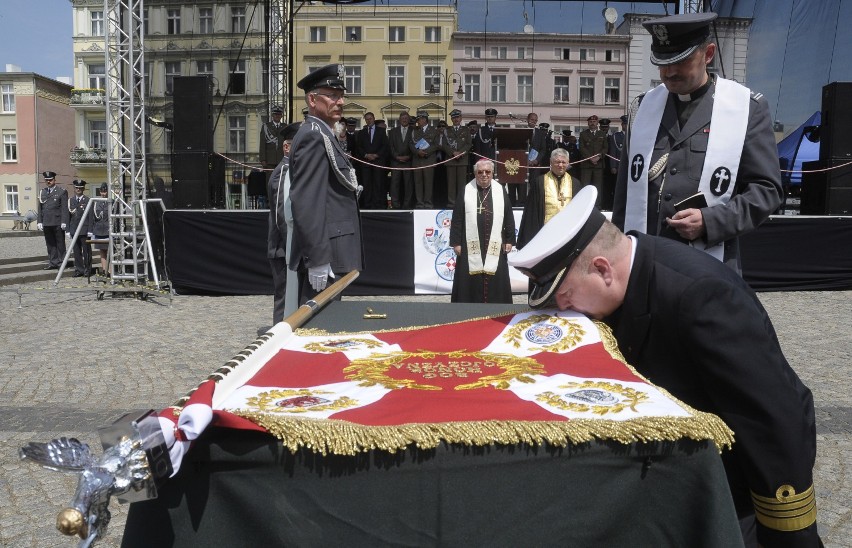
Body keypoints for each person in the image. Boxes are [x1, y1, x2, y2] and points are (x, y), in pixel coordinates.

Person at [509, 185, 821, 548]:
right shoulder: (625, 284)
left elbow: (771, 419)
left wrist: (788, 535)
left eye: (566, 298)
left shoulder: (702, 297)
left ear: (601, 269)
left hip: (732, 491)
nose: (566, 312)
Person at [612, 12, 781, 273]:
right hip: (646, 262)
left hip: (709, 264)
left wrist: (710, 221)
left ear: (708, 54)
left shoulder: (745, 108)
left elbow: (766, 191)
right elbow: (625, 192)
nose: (669, 72)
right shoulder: (643, 108)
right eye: (663, 62)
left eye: (681, 61)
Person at [288, 64, 364, 305]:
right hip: (327, 253)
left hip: (333, 247)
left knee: (327, 328)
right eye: (332, 96)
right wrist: (318, 258)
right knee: (318, 332)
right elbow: (307, 201)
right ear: (312, 99)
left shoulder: (323, 133)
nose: (340, 102)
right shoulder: (313, 135)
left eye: (341, 96)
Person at [449, 158, 515, 303]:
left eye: (488, 172)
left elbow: (509, 216)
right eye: (480, 172)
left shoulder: (500, 190)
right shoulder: (466, 190)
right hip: (469, 243)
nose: (484, 175)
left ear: (492, 173)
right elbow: (457, 218)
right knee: (470, 278)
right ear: (475, 173)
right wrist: (456, 243)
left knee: (496, 277)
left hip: (496, 242)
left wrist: (509, 240)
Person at [267, 122, 301, 323]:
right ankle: (277, 340)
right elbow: (281, 213)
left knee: (291, 296)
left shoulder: (293, 169)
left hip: (288, 246)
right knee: (284, 298)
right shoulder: (283, 171)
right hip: (282, 247)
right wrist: (291, 245)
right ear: (286, 147)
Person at [517, 148, 580, 249]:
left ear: (568, 163)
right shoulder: (540, 182)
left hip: (568, 234)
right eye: (557, 162)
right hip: (544, 234)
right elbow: (532, 213)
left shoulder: (575, 184)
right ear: (550, 162)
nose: (560, 165)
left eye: (564, 162)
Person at [355, 112, 389, 209]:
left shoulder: (381, 131)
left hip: (378, 162)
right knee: (367, 184)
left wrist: (376, 155)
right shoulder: (361, 132)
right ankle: (367, 205)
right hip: (366, 162)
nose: (369, 120)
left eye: (370, 118)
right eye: (367, 119)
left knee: (378, 184)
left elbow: (385, 145)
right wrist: (366, 155)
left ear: (374, 118)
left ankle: (377, 204)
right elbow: (359, 147)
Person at [37, 171, 69, 270]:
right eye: (47, 180)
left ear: (54, 180)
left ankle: (61, 262)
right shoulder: (43, 192)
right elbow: (40, 208)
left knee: (60, 243)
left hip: (57, 221)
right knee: (50, 244)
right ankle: (53, 262)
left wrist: (64, 221)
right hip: (46, 222)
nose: (48, 182)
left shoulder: (61, 191)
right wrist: (39, 221)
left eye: (50, 180)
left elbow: (64, 208)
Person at [443, 109, 472, 208]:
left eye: (457, 117)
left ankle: (461, 203)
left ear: (461, 118)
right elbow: (444, 144)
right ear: (451, 119)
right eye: (454, 117)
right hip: (450, 160)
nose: (456, 119)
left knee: (461, 184)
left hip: (462, 160)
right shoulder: (446, 130)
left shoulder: (466, 130)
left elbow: (469, 144)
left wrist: (461, 153)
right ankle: (451, 203)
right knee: (451, 184)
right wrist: (453, 153)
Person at [409, 111, 439, 209]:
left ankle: (428, 203)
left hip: (428, 160)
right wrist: (418, 152)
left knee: (428, 183)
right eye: (417, 120)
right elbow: (411, 144)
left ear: (424, 119)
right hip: (417, 160)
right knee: (418, 183)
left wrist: (426, 152)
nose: (418, 122)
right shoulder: (415, 131)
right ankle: (419, 203)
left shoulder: (434, 130)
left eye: (419, 120)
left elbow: (436, 144)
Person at [578, 114, 607, 206]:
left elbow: (605, 148)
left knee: (597, 187)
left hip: (598, 165)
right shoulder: (583, 134)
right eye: (590, 122)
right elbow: (582, 148)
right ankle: (584, 205)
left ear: (597, 123)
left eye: (594, 122)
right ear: (588, 123)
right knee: (585, 186)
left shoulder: (602, 134)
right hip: (586, 165)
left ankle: (597, 206)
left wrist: (599, 157)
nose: (592, 123)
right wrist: (590, 158)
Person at [388, 111, 414, 209]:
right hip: (396, 162)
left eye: (406, 118)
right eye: (402, 118)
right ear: (399, 120)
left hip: (408, 161)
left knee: (408, 185)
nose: (404, 120)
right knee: (394, 184)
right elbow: (390, 146)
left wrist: (409, 156)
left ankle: (407, 205)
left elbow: (416, 146)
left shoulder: (413, 130)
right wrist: (397, 157)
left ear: (409, 120)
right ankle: (395, 205)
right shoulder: (393, 131)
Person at [67, 179, 93, 277]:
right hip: (74, 230)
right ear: (74, 188)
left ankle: (87, 269)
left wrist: (90, 230)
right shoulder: (71, 200)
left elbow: (90, 216)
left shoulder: (87, 200)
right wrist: (68, 230)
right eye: (76, 188)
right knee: (76, 252)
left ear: (83, 189)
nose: (78, 189)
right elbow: (68, 216)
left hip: (84, 230)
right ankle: (79, 269)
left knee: (86, 251)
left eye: (80, 188)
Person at [91, 183, 111, 276]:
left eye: (105, 191)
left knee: (109, 251)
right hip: (99, 230)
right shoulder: (96, 203)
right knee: (102, 251)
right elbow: (93, 218)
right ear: (100, 192)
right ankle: (104, 270)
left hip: (108, 230)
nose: (104, 194)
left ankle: (110, 270)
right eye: (102, 191)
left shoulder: (112, 201)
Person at [259, 105, 285, 173]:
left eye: (279, 114)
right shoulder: (266, 126)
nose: (277, 116)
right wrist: (263, 159)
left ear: (281, 116)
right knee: (269, 181)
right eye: (275, 114)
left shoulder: (285, 127)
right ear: (272, 115)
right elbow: (262, 144)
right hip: (269, 160)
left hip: (282, 159)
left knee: (281, 181)